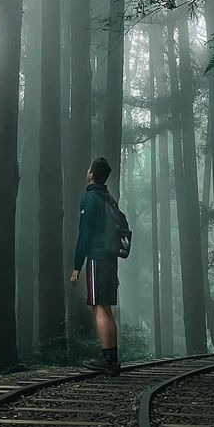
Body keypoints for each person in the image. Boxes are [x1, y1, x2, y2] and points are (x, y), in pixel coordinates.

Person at [69, 155, 121, 375]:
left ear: (91, 174)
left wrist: (76, 267)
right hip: (111, 257)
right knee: (106, 308)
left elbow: (85, 233)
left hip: (97, 258)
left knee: (98, 307)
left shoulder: (89, 199)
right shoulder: (109, 199)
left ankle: (106, 359)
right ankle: (112, 357)